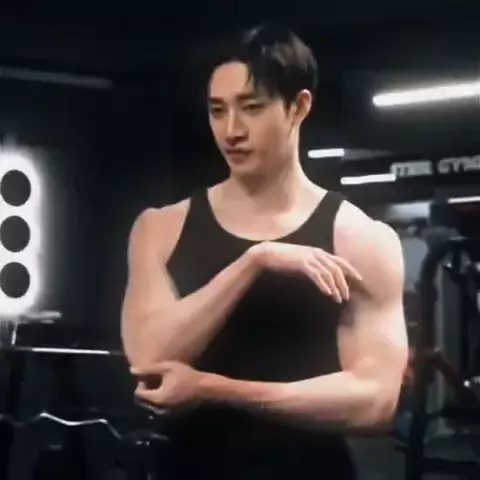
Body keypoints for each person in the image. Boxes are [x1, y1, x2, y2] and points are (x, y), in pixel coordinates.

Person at [121, 23, 408, 479]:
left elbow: (375, 402)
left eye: (251, 108)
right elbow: (148, 359)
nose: (231, 130)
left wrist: (216, 388)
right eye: (218, 111)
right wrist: (254, 261)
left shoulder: (361, 238)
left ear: (298, 107)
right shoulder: (161, 228)